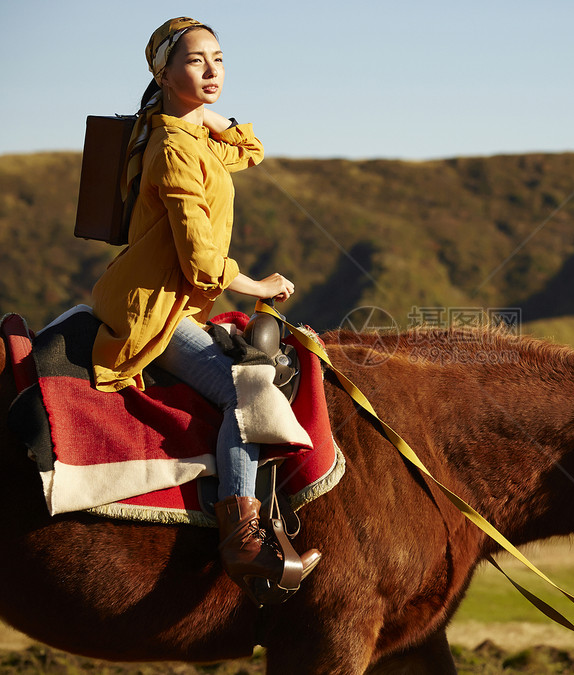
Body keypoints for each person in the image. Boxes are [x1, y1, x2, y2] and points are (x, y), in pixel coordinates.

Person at [90, 17, 320, 602]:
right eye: (196, 61)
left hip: (175, 302)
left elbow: (251, 150)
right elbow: (200, 259)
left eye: (218, 59)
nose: (213, 70)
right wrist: (260, 286)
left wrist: (203, 111)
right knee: (246, 393)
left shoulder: (189, 136)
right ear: (163, 73)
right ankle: (241, 537)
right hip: (158, 309)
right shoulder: (171, 148)